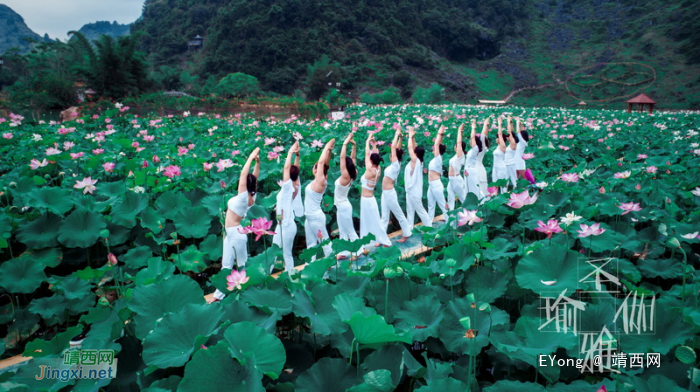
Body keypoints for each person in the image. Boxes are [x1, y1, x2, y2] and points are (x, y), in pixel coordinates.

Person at [213, 148, 260, 301]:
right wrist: (257, 164)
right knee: (226, 266)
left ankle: (247, 294)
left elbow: (243, 175)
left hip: (236, 233)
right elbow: (255, 178)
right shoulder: (252, 196)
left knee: (242, 267)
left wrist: (251, 157)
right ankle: (219, 295)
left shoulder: (242, 197)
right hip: (233, 233)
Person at [272, 141, 304, 272]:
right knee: (273, 251)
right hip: (282, 225)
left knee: (287, 255)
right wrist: (297, 156)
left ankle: (289, 277)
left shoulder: (287, 188)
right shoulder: (296, 184)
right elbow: (295, 169)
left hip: (287, 226)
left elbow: (287, 169)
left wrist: (290, 151)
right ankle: (267, 277)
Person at [360, 135, 392, 247]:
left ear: (371, 161)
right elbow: (375, 156)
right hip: (371, 199)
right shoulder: (378, 169)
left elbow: (366, 154)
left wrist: (367, 140)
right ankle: (378, 241)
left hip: (366, 200)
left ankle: (383, 241)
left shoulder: (370, 169)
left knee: (367, 222)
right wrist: (373, 144)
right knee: (374, 222)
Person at [304, 139, 335, 260]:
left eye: (315, 167)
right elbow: (325, 164)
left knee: (325, 243)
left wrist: (326, 146)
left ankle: (334, 265)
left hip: (316, 217)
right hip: (309, 217)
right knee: (311, 244)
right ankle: (309, 265)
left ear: (317, 170)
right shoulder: (317, 180)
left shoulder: (320, 181)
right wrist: (329, 151)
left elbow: (322, 163)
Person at [380, 128, 412, 242]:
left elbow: (393, 148)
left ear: (394, 157)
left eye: (392, 154)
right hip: (385, 193)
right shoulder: (395, 164)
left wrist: (396, 134)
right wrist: (401, 138)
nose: (390, 155)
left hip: (390, 193)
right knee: (384, 217)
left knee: (398, 214)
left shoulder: (395, 165)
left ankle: (406, 233)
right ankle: (382, 238)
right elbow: (397, 148)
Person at [335, 132, 359, 259]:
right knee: (342, 231)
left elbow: (342, 158)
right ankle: (343, 252)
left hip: (344, 206)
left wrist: (345, 142)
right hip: (341, 206)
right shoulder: (351, 174)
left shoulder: (345, 176)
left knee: (350, 230)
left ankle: (358, 251)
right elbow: (352, 160)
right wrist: (353, 146)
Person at [404, 127, 432, 228]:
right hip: (410, 190)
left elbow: (410, 148)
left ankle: (429, 226)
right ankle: (409, 229)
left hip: (414, 191)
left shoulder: (416, 161)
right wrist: (413, 137)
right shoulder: (417, 160)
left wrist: (410, 136)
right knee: (410, 211)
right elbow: (414, 148)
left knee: (420, 210)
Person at [427, 126, 448, 221]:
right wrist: (441, 136)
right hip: (431, 185)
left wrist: (440, 134)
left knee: (442, 205)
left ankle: (450, 223)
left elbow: (436, 145)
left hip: (436, 184)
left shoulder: (438, 159)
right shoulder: (434, 159)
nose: (433, 149)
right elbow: (437, 145)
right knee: (430, 206)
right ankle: (429, 225)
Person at [447, 123, 467, 210]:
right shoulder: (456, 156)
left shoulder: (460, 155)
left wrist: (459, 131)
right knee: (450, 199)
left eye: (456, 145)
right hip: (451, 180)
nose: (455, 146)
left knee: (463, 198)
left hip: (456, 180)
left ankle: (471, 214)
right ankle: (449, 219)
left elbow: (459, 142)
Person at [464, 119, 485, 199]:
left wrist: (473, 127)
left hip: (470, 171)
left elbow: (473, 137)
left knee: (473, 189)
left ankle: (481, 200)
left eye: (471, 140)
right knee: (469, 189)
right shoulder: (472, 150)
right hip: (468, 170)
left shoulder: (475, 149)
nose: (470, 141)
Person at [492, 117, 508, 193]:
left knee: (503, 187)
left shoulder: (503, 146)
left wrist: (499, 124)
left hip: (502, 168)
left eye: (497, 138)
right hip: (495, 168)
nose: (496, 139)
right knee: (494, 186)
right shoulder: (498, 147)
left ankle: (504, 202)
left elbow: (500, 134)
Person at [475, 118, 491, 195]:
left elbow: (483, 136)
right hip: (477, 169)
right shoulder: (475, 150)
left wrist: (485, 125)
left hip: (478, 170)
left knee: (481, 192)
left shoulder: (480, 149)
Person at [505, 116, 518, 189]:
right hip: (506, 163)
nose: (507, 137)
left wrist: (508, 121)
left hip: (512, 164)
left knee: (514, 180)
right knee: (505, 181)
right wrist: (510, 122)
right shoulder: (509, 145)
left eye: (508, 136)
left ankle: (517, 193)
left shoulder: (513, 144)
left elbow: (510, 132)